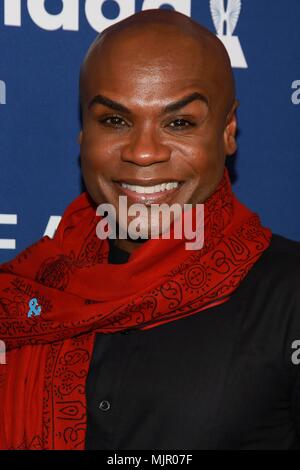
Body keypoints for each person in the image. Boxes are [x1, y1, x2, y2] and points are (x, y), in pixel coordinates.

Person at [0, 8, 300, 451]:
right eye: (114, 120)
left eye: (179, 122)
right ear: (83, 134)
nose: (143, 153)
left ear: (227, 130)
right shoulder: (27, 299)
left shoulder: (290, 292)